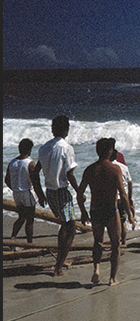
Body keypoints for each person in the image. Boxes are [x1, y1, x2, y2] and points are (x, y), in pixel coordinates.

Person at [31, 115, 87, 277]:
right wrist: (79, 191)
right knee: (70, 228)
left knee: (65, 225)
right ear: (66, 129)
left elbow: (35, 174)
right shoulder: (65, 148)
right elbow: (69, 174)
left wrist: (40, 194)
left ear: (52, 129)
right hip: (61, 191)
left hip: (49, 192)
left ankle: (59, 263)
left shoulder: (44, 148)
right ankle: (58, 266)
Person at [77, 138, 133, 286]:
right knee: (116, 244)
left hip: (95, 210)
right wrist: (130, 215)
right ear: (109, 151)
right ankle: (112, 278)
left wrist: (83, 212)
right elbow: (123, 194)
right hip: (111, 210)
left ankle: (96, 268)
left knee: (98, 242)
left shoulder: (90, 169)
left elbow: (80, 193)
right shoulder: (115, 169)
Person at [5, 138, 41, 243]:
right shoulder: (30, 163)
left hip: (16, 194)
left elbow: (7, 180)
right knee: (30, 219)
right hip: (26, 193)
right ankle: (30, 242)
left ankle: (13, 237)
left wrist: (15, 188)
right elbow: (35, 182)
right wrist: (40, 196)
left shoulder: (12, 162)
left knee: (21, 217)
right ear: (30, 150)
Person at [108, 138, 135, 245]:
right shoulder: (123, 166)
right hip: (122, 197)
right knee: (122, 220)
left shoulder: (108, 166)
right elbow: (130, 183)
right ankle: (123, 241)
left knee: (113, 222)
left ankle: (116, 242)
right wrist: (130, 197)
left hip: (111, 197)